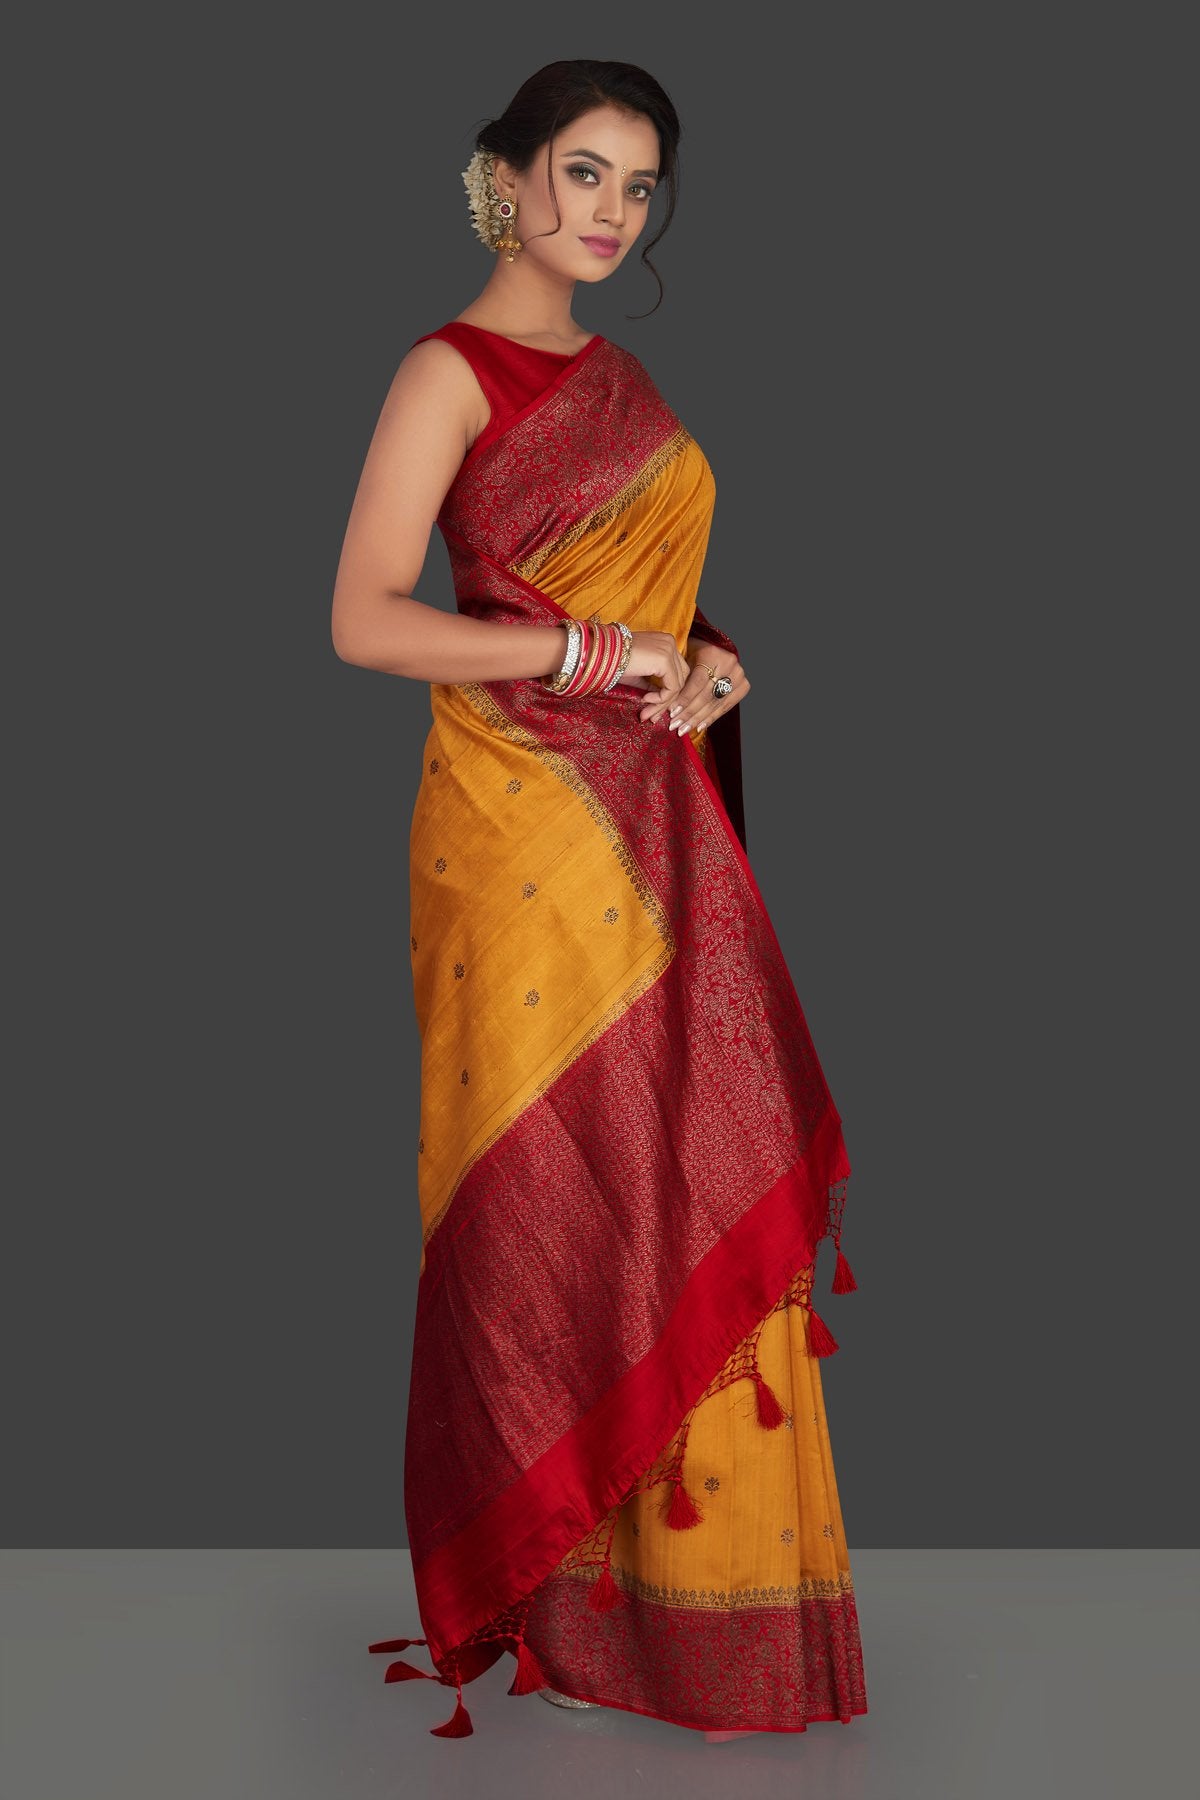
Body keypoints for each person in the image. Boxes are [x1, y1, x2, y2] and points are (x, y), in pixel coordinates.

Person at [332, 58, 867, 1743]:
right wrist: (586, 652)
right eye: (582, 172)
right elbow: (364, 617)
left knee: (669, 1177)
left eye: (639, 187)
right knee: (544, 1195)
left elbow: (648, 611)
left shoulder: (624, 383)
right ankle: (552, 1599)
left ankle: (675, 1616)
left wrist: (706, 662)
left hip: (654, 819)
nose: (612, 212)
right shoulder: (447, 371)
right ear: (506, 176)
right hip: (514, 832)